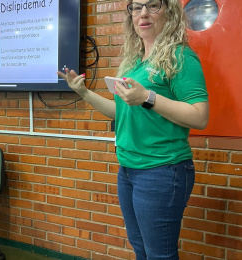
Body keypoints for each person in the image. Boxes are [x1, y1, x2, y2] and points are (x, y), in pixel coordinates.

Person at [57, 0, 209, 259]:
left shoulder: (180, 56)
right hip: (128, 170)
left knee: (159, 255)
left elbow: (200, 116)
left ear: (169, 12)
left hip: (162, 170)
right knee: (140, 249)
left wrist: (148, 98)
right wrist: (83, 92)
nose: (143, 14)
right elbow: (122, 112)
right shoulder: (134, 63)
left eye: (152, 5)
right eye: (136, 8)